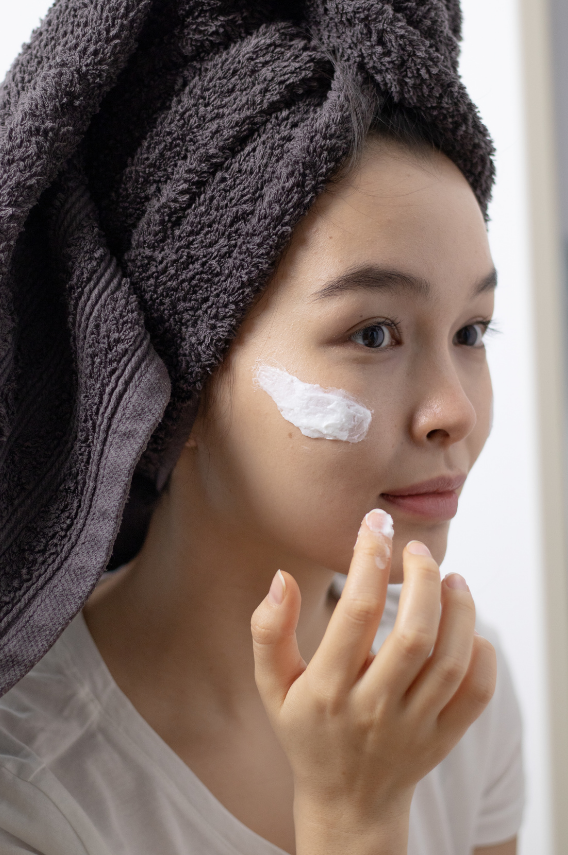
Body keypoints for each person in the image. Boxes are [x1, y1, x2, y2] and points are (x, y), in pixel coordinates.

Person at [0, 2, 523, 854]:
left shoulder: (449, 690)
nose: (454, 410)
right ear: (183, 380)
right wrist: (356, 817)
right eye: (373, 333)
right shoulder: (29, 790)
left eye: (471, 330)